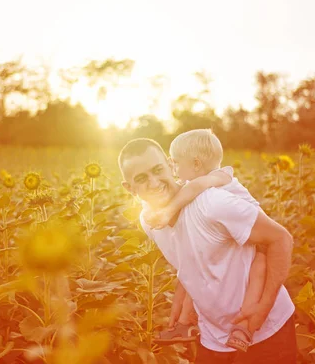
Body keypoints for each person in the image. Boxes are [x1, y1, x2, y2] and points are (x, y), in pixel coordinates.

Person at [118, 136, 297, 363]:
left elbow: (281, 239)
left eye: (157, 170)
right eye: (142, 178)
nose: (154, 183)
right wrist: (181, 301)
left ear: (170, 164)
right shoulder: (148, 220)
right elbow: (192, 255)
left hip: (267, 333)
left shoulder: (211, 203)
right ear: (129, 188)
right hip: (213, 337)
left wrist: (261, 312)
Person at [142, 129, 267, 352]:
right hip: (237, 238)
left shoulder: (218, 178)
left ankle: (244, 327)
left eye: (176, 163)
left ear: (197, 164)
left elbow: (193, 188)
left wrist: (169, 210)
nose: (174, 169)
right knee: (196, 279)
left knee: (258, 273)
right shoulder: (205, 181)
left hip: (256, 241)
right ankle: (183, 324)